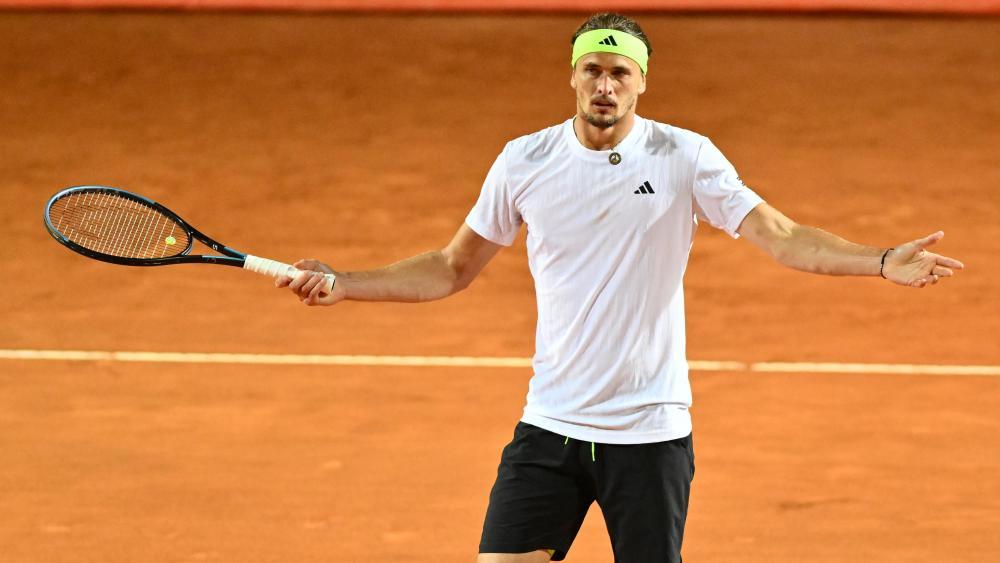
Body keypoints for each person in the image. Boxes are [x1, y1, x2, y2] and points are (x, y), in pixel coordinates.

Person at [276, 12, 964, 563]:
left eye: (621, 73)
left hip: (652, 434)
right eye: (593, 69)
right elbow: (451, 267)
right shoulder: (525, 160)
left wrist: (878, 260)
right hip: (550, 427)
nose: (606, 85)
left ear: (642, 84)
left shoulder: (683, 156)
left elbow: (780, 234)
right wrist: (347, 283)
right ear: (573, 76)